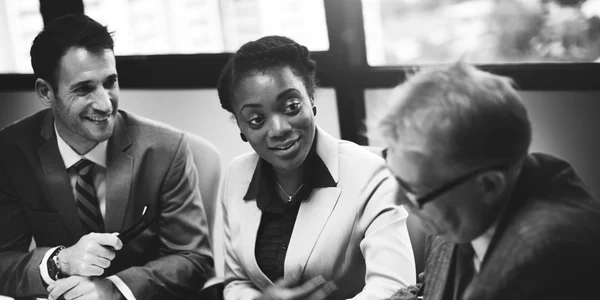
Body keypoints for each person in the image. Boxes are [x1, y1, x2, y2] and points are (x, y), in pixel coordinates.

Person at [0, 14, 214, 300]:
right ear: (45, 92)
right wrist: (60, 260)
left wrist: (113, 289)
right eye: (84, 89)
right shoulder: (11, 151)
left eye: (110, 82)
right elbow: (3, 261)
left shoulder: (166, 149)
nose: (104, 104)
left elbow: (193, 260)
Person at [376, 61, 600, 300]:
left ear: (489, 186)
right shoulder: (457, 200)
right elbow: (431, 289)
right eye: (396, 177)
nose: (398, 199)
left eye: (414, 189)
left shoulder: (548, 263)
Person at [216, 35, 416, 300]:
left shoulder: (371, 174)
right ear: (242, 129)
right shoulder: (237, 174)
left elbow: (394, 288)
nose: (278, 129)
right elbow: (236, 281)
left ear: (311, 98)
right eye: (256, 120)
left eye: (291, 106)